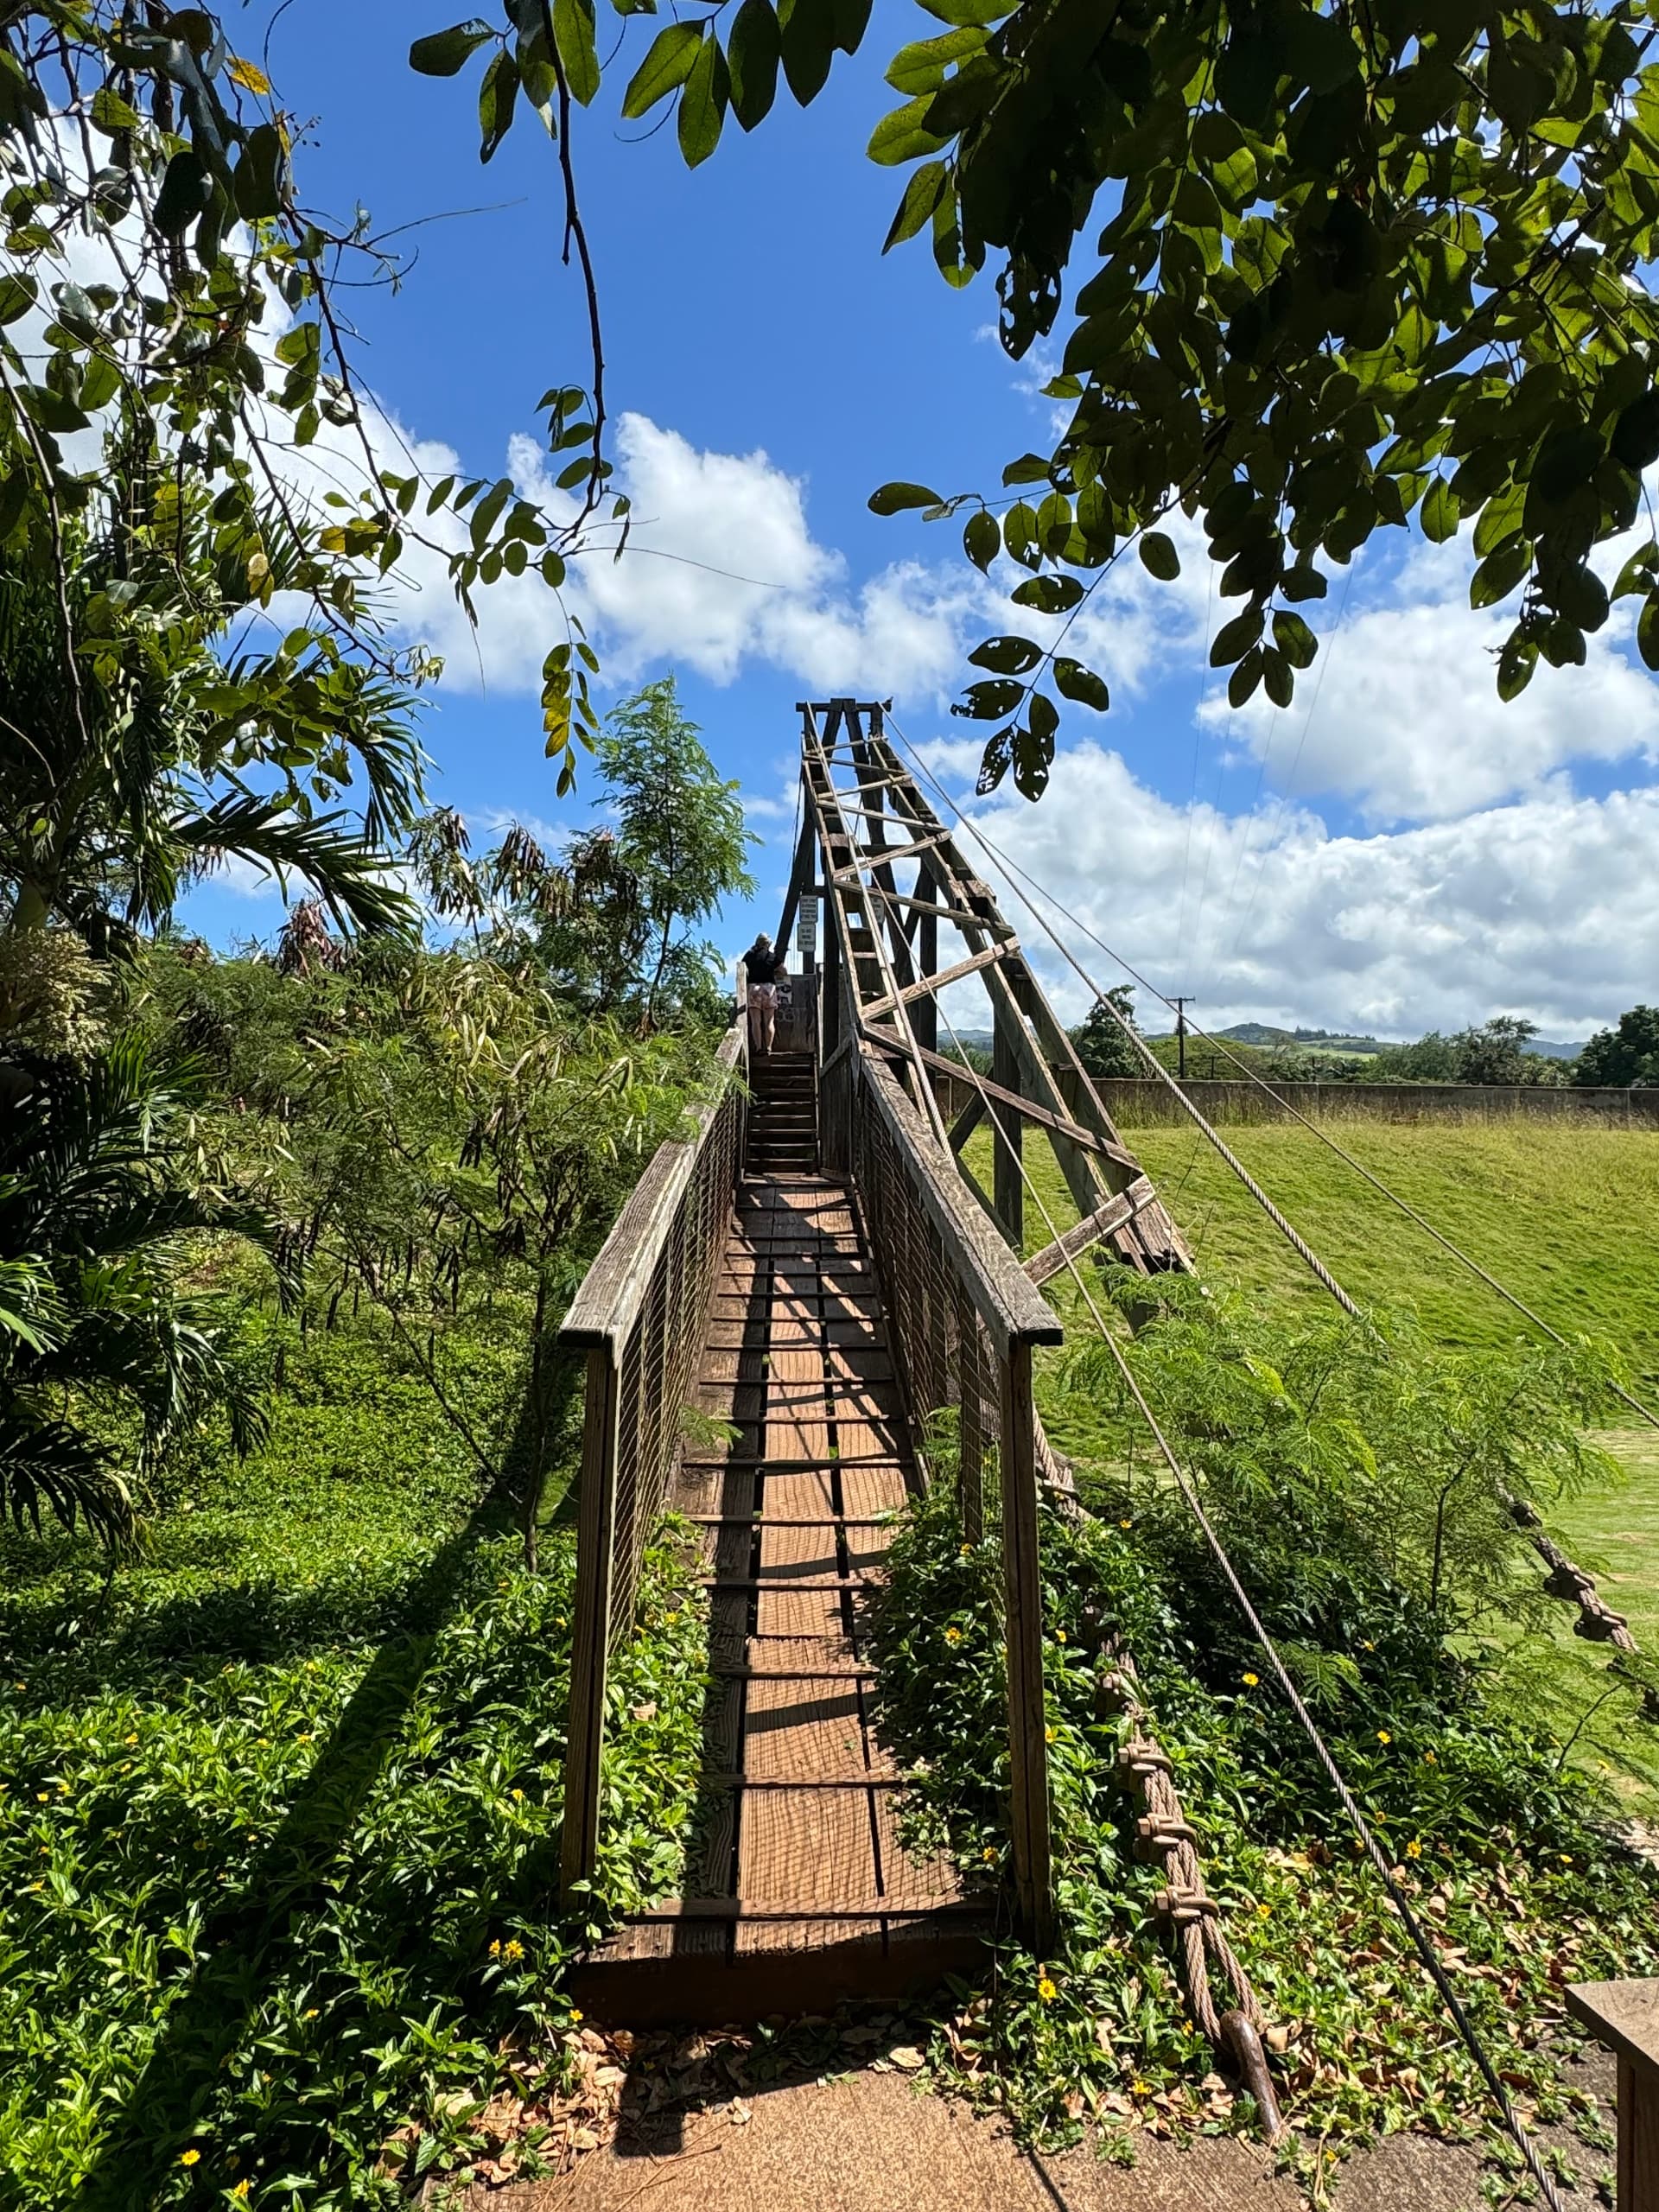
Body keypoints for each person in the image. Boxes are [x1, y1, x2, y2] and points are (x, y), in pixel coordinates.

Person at [744, 932, 785, 1054]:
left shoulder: (750, 955)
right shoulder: (771, 956)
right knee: (769, 1021)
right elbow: (784, 971)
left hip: (753, 988)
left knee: (756, 1021)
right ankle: (768, 1048)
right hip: (768, 988)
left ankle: (758, 1047)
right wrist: (775, 971)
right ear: (768, 944)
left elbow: (743, 968)